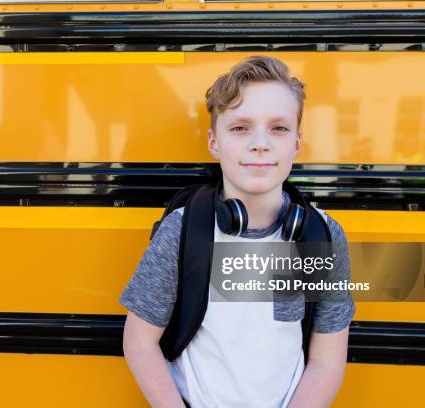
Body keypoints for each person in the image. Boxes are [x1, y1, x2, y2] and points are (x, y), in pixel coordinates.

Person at [119, 55, 355, 408]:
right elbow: (140, 341)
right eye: (240, 127)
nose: (260, 143)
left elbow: (327, 359)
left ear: (296, 143)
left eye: (278, 128)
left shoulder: (320, 236)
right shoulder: (184, 230)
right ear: (214, 143)